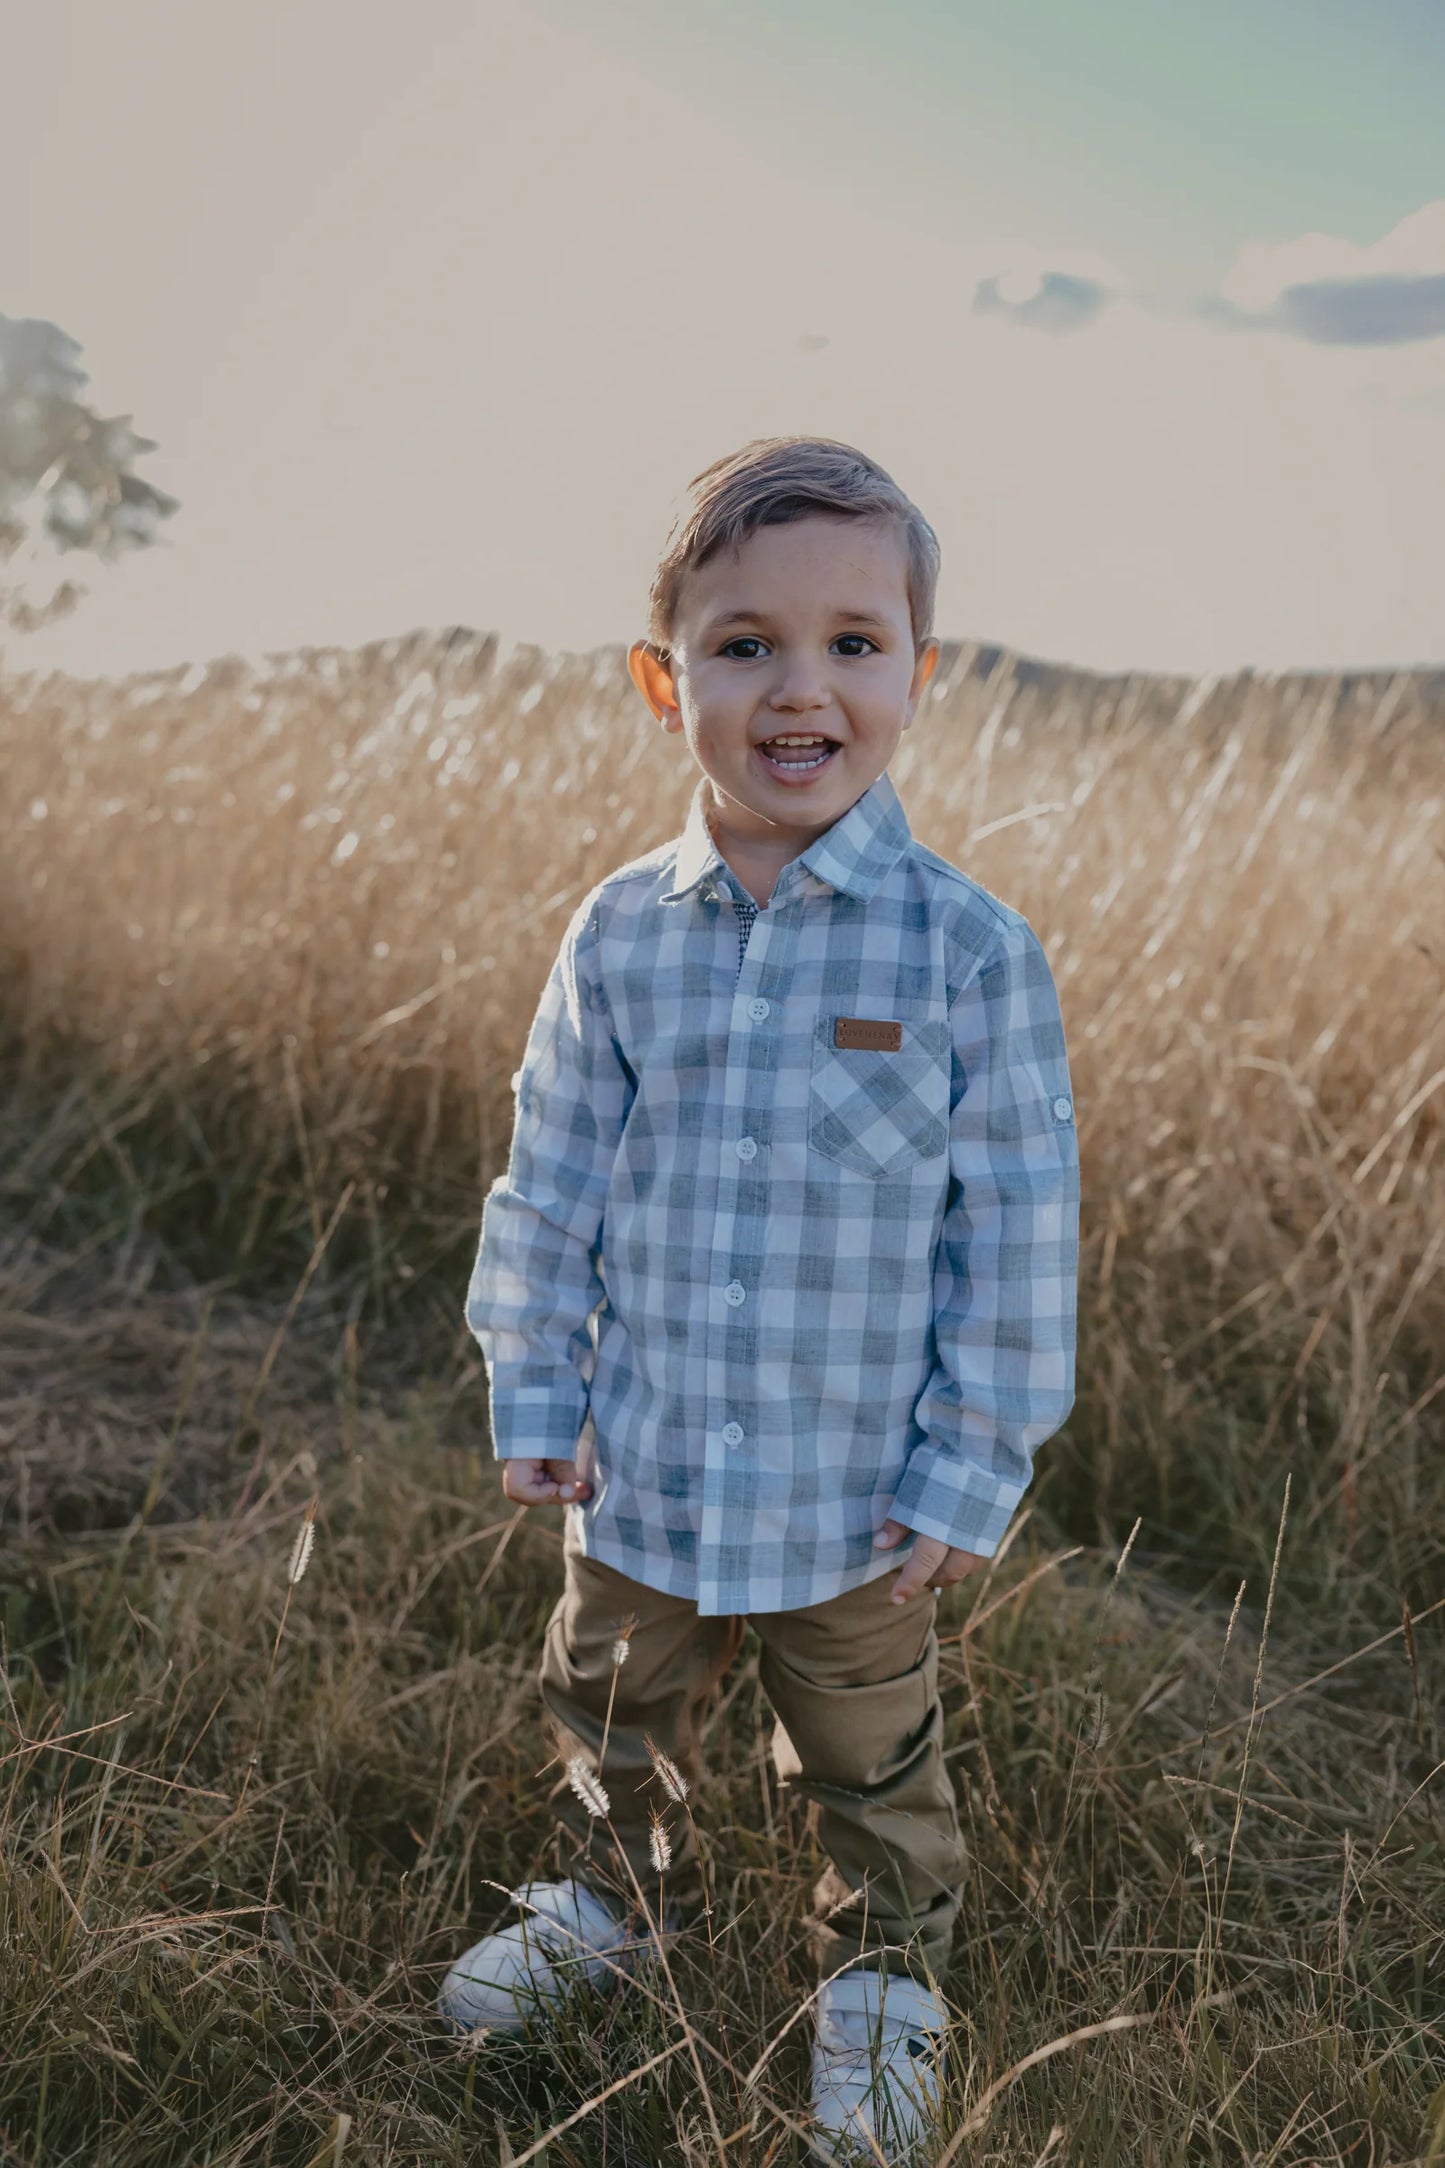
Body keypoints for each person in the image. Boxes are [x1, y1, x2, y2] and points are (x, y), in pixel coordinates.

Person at [439, 436, 1080, 2159]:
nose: (800, 690)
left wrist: (971, 1464)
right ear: (667, 683)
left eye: (854, 645)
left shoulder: (964, 951)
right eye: (745, 646)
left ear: (917, 677)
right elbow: (551, 1172)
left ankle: (881, 1980)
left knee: (870, 1756)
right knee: (612, 1705)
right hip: (641, 1461)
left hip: (854, 1487)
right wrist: (534, 1386)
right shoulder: (618, 934)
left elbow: (1012, 1230)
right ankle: (605, 1903)